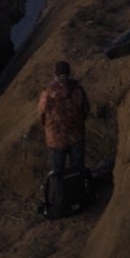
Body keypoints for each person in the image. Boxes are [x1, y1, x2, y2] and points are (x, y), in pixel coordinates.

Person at [37, 61, 92, 215]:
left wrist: (49, 128)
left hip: (55, 139)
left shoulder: (47, 93)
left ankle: (60, 205)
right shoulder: (77, 89)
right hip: (76, 135)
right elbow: (85, 110)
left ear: (54, 74)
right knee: (77, 170)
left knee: (57, 173)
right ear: (68, 72)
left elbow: (41, 115)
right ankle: (78, 200)